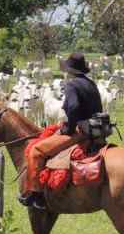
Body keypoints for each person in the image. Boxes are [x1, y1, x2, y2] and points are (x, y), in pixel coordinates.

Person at [18, 51, 102, 210]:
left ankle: (36, 195)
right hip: (96, 128)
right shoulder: (91, 83)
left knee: (36, 151)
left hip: (80, 131)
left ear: (69, 70)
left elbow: (73, 107)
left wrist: (68, 128)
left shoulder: (72, 84)